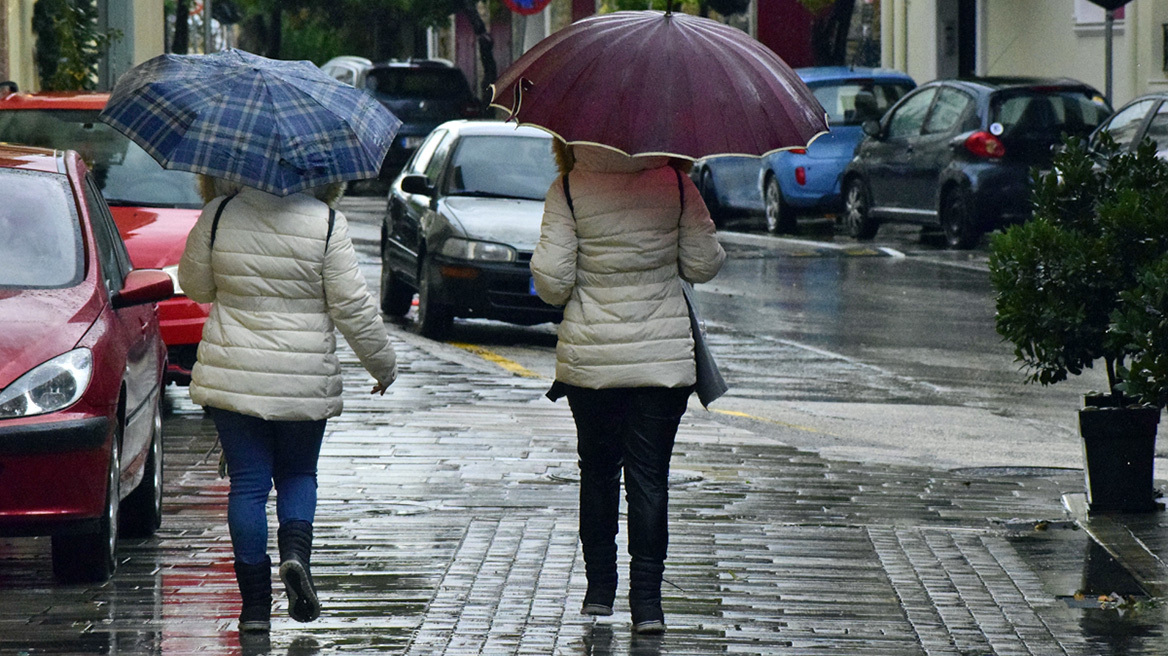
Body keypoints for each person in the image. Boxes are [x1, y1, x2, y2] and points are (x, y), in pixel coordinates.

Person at [178, 176, 398, 635]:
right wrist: (382, 365)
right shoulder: (326, 222)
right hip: (303, 377)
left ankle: (255, 608)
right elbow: (351, 306)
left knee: (248, 485)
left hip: (233, 373)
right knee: (298, 474)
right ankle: (295, 555)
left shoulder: (219, 213)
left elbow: (195, 285)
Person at [530, 141, 726, 634]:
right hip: (661, 361)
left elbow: (552, 284)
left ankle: (599, 592)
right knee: (649, 477)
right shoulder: (677, 186)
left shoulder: (570, 188)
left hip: (592, 361)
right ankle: (648, 605)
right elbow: (703, 264)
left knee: (597, 471)